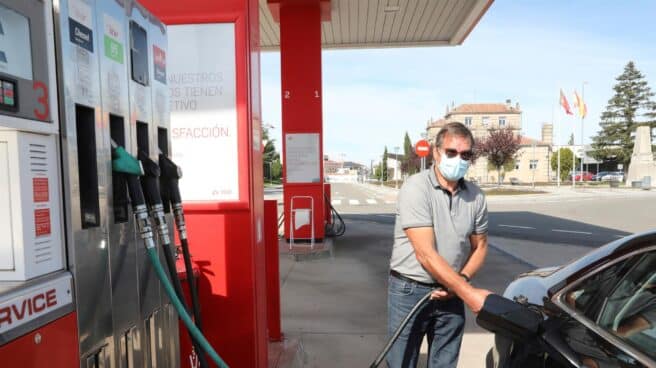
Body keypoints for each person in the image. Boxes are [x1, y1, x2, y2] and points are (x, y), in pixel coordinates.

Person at [387, 122, 493, 368]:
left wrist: (461, 282)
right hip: (410, 292)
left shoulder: (476, 196)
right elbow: (425, 254)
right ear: (436, 152)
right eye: (452, 152)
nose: (459, 159)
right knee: (401, 362)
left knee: (445, 363)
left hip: (452, 293)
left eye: (466, 154)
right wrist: (470, 295)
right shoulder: (416, 187)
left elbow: (481, 246)